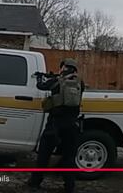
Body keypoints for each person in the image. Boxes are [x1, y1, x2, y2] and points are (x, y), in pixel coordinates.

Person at [29, 58, 85, 193]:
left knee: (44, 155)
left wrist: (39, 78)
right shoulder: (79, 83)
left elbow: (41, 86)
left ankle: (35, 182)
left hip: (55, 125)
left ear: (64, 67)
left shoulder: (56, 82)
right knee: (69, 157)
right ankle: (69, 186)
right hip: (72, 125)